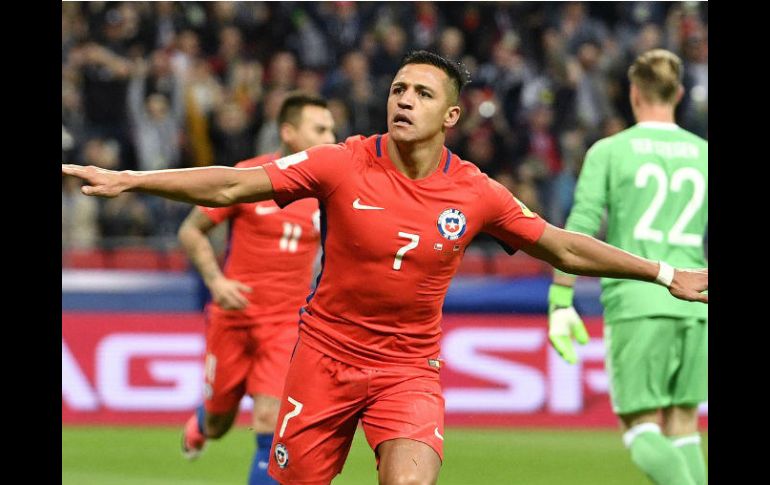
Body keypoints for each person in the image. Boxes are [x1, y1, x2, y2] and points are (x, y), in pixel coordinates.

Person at [62, 50, 707, 485]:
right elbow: (233, 186)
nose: (403, 100)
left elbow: (561, 245)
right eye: (398, 88)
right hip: (322, 358)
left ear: (450, 116)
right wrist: (133, 180)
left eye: (422, 93)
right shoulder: (342, 162)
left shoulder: (476, 191)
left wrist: (662, 273)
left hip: (406, 369)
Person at [546, 49, 707, 485]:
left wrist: (560, 298)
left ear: (634, 93)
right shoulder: (703, 153)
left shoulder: (610, 150)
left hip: (639, 299)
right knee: (684, 430)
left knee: (640, 429)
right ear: (677, 93)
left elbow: (579, 228)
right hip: (697, 302)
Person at [178, 92, 335, 485]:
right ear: (289, 132)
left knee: (270, 419)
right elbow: (191, 231)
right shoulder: (248, 177)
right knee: (219, 423)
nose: (331, 136)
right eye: (321, 129)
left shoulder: (328, 193)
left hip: (286, 325)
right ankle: (204, 419)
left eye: (331, 128)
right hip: (232, 318)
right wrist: (216, 282)